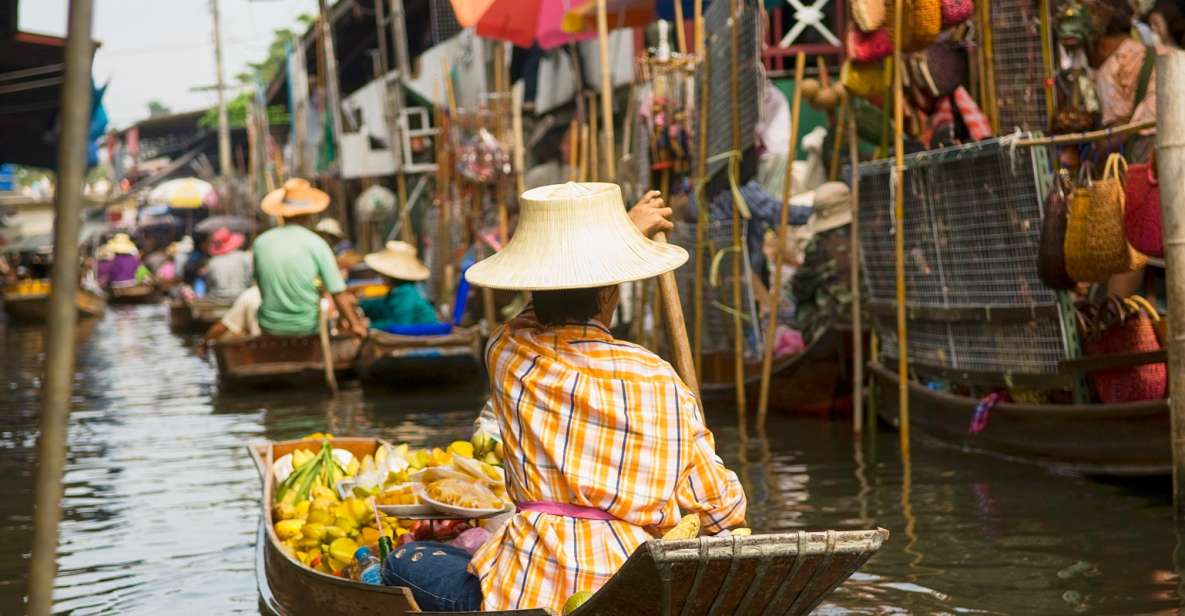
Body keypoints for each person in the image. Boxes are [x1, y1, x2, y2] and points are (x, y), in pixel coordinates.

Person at [381, 183, 746, 613]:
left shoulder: (510, 354)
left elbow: (526, 322)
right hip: (631, 587)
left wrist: (623, 233)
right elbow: (723, 509)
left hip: (525, 592)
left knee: (402, 561)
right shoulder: (660, 377)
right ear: (610, 293)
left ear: (534, 289)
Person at [253, 178, 367, 338]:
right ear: (308, 213)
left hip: (270, 326)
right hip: (308, 327)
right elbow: (337, 290)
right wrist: (355, 324)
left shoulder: (260, 242)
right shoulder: (316, 243)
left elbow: (260, 285)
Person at [358, 241, 439, 330]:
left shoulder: (406, 292)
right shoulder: (396, 292)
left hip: (423, 339)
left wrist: (369, 326)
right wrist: (360, 304)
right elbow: (380, 306)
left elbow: (399, 323)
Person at [197, 286, 262, 356]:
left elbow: (223, 326)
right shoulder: (253, 294)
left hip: (259, 348)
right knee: (238, 331)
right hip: (268, 345)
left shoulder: (251, 295)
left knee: (233, 333)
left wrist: (203, 342)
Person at [205, 227, 253, 300]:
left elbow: (209, 284)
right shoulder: (244, 257)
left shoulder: (212, 262)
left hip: (218, 301)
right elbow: (250, 278)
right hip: (241, 299)